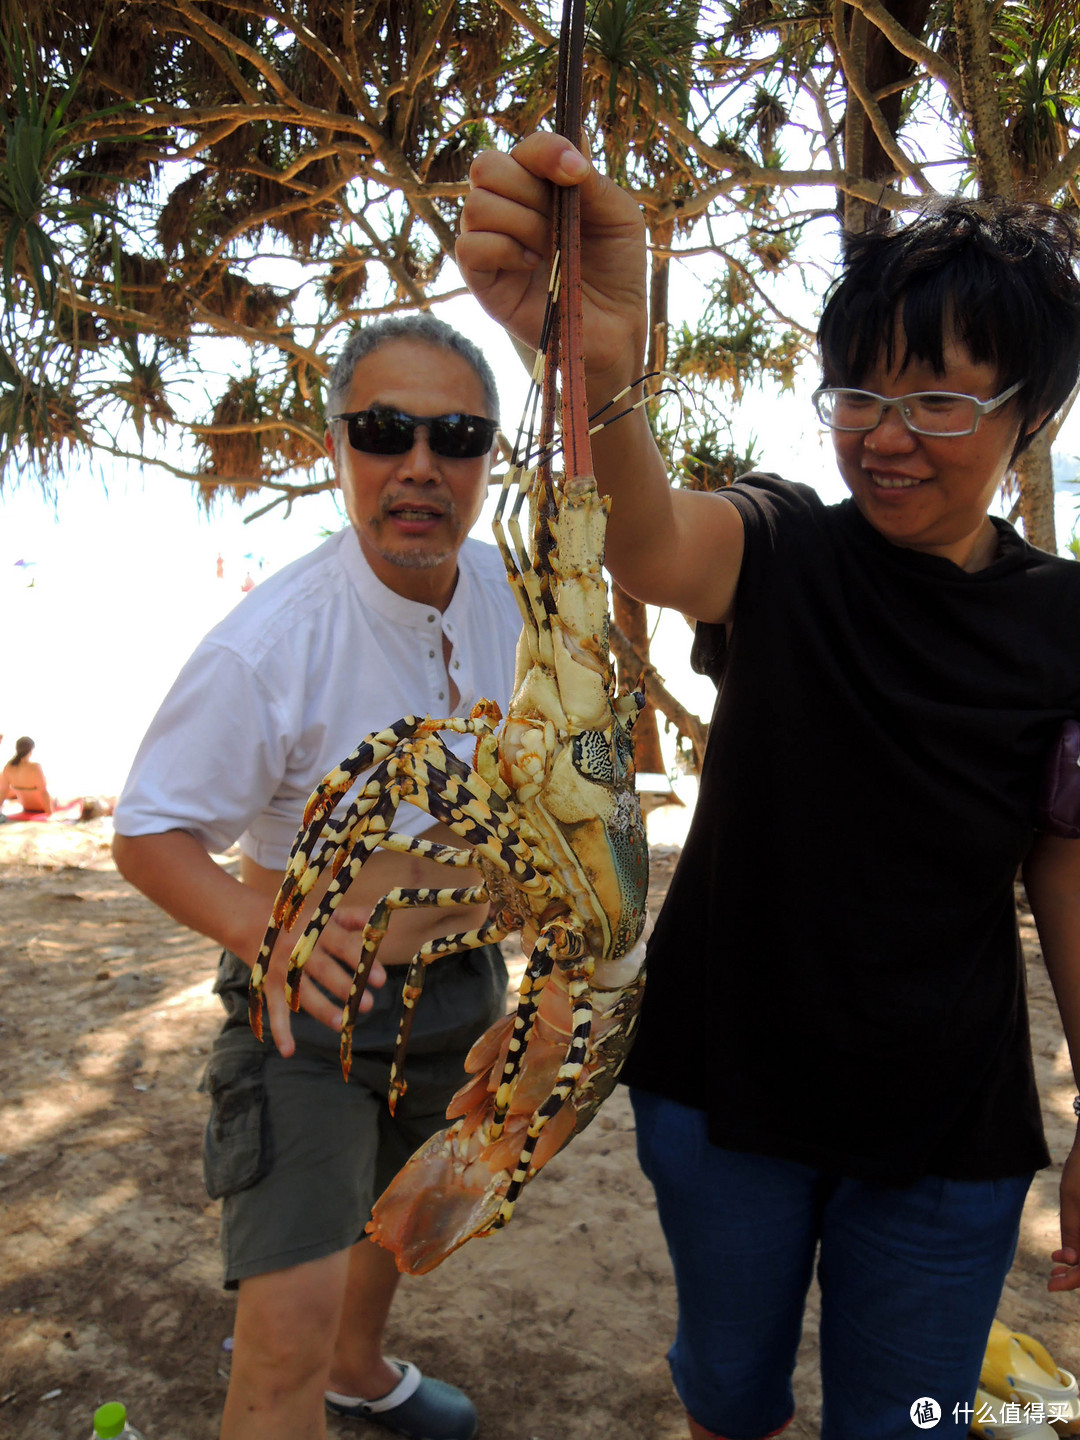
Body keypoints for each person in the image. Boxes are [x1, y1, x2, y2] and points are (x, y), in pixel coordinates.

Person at [458, 134, 1080, 1440]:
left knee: (908, 1418)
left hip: (947, 1132)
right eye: (857, 394)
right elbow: (650, 545)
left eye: (939, 403)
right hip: (717, 1090)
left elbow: (1067, 871)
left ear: (1035, 413)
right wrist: (598, 378)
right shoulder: (785, 540)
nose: (886, 437)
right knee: (727, 1396)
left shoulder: (1063, 623)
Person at [111, 314, 522, 1440]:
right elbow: (149, 831)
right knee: (278, 1334)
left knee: (392, 1222)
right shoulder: (270, 643)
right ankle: (318, 1365)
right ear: (337, 446)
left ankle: (361, 1367)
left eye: (458, 436)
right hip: (313, 1011)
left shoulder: (511, 594)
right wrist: (270, 934)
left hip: (464, 991)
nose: (421, 466)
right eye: (386, 431)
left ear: (492, 455)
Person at [1, 735, 53, 816]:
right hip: (41, 807)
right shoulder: (35, 767)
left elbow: (3, 791)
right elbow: (44, 792)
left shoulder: (8, 767)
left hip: (26, 807)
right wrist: (49, 814)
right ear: (31, 750)